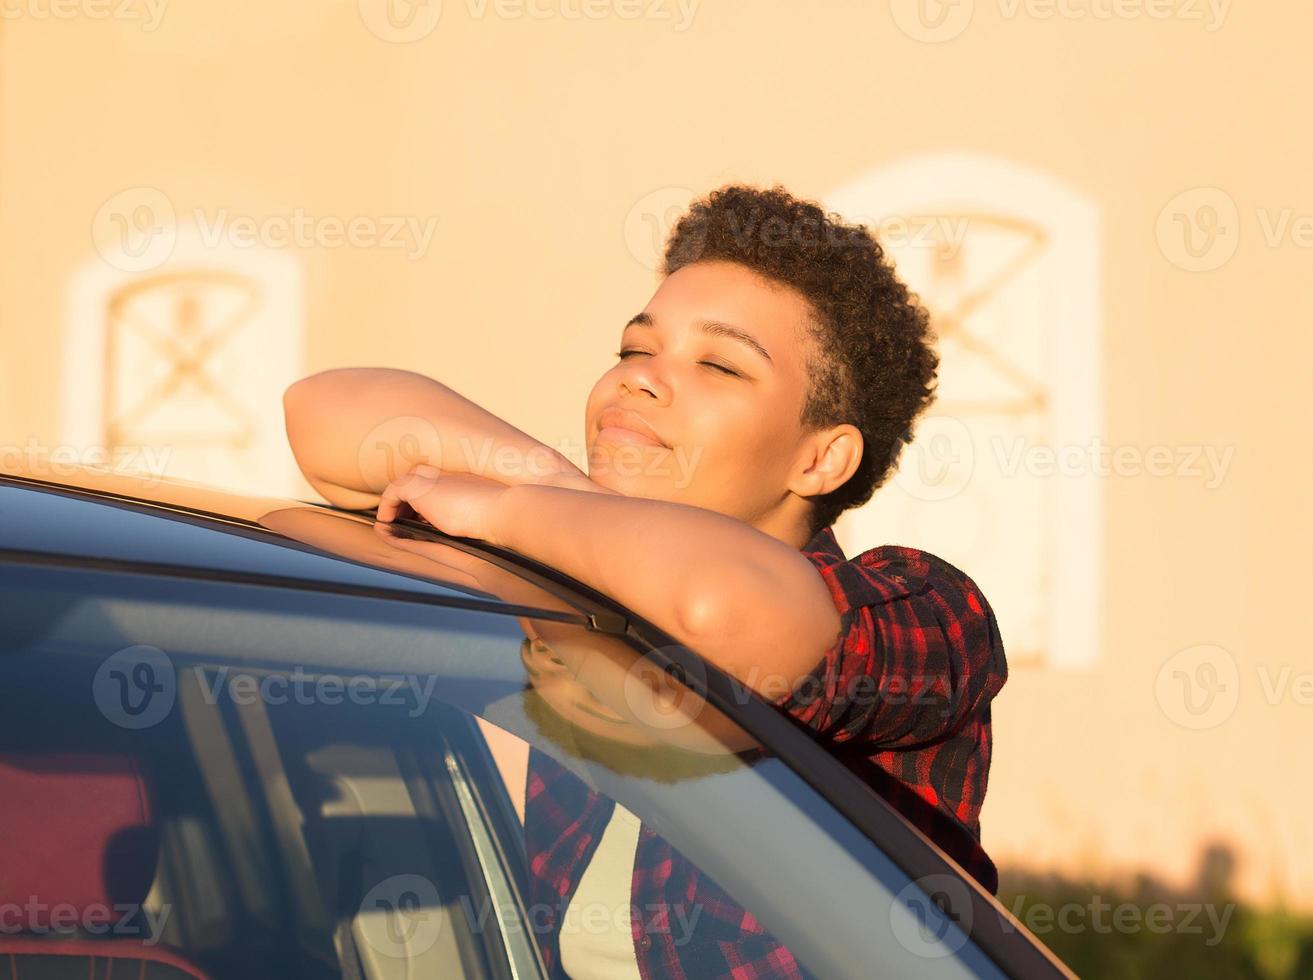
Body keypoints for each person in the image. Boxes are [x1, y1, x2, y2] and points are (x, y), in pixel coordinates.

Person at [283, 183, 1008, 979]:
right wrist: (555, 488)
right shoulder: (573, 588)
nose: (641, 380)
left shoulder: (928, 609)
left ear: (820, 458)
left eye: (719, 365)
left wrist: (514, 511)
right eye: (635, 349)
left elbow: (722, 605)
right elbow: (321, 416)